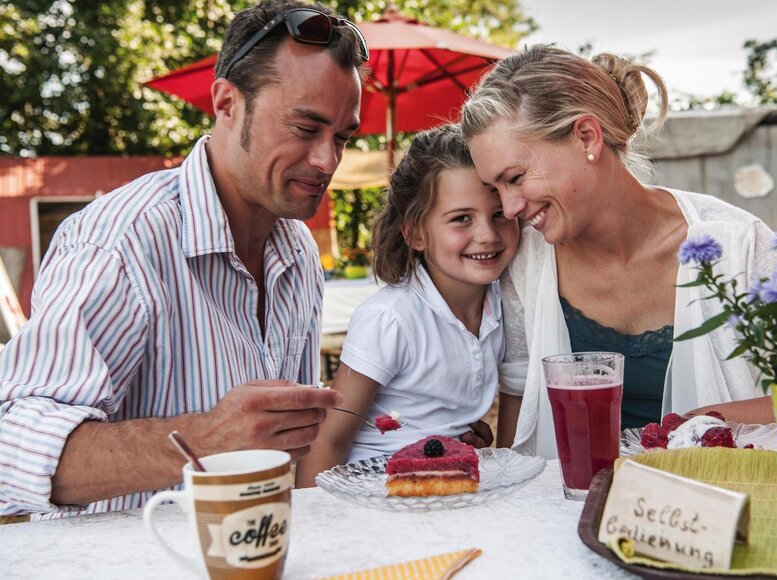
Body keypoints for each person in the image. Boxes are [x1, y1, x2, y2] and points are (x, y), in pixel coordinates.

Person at [0, 0, 368, 517]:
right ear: (226, 103)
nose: (327, 160)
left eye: (343, 137)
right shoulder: (122, 240)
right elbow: (9, 447)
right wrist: (205, 440)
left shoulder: (299, 251)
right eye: (306, 128)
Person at [460, 45, 777, 458]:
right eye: (496, 189)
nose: (509, 208)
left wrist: (699, 425)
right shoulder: (526, 262)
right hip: (572, 513)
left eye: (516, 178)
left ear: (587, 138)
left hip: (721, 505)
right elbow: (521, 407)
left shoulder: (742, 247)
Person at [295, 124, 519, 487]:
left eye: (499, 214)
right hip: (378, 495)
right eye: (462, 218)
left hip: (453, 489)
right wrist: (314, 530)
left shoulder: (506, 304)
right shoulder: (391, 318)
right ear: (415, 233)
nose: (487, 235)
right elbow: (330, 437)